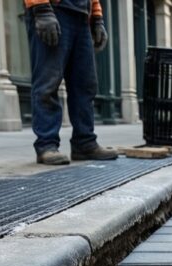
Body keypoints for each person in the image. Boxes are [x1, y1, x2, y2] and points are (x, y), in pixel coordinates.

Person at [25, 0, 118, 165]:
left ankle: (84, 143)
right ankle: (46, 145)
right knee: (48, 83)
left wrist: (97, 16)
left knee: (85, 85)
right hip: (54, 9)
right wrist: (41, 7)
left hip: (82, 17)